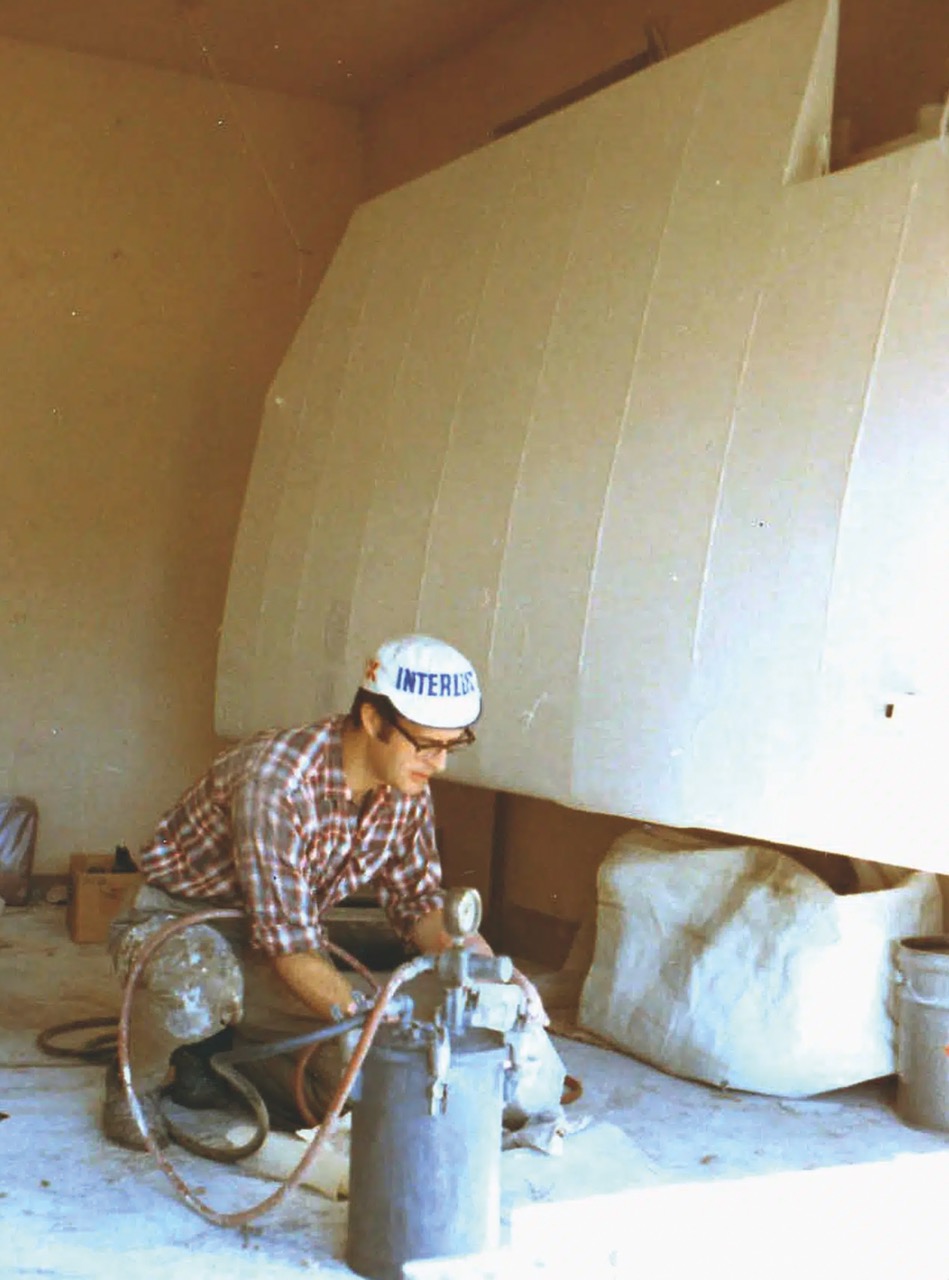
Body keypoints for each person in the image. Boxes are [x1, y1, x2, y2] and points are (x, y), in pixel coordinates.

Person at [103, 634, 549, 1150]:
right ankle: (134, 1077)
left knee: (351, 1085)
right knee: (204, 989)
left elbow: (417, 903)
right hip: (179, 923)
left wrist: (487, 970)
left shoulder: (405, 789)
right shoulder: (276, 781)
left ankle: (206, 1054)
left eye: (452, 745)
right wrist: (371, 1025)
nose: (439, 764)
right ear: (372, 719)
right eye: (426, 744)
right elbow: (290, 948)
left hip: (269, 934)